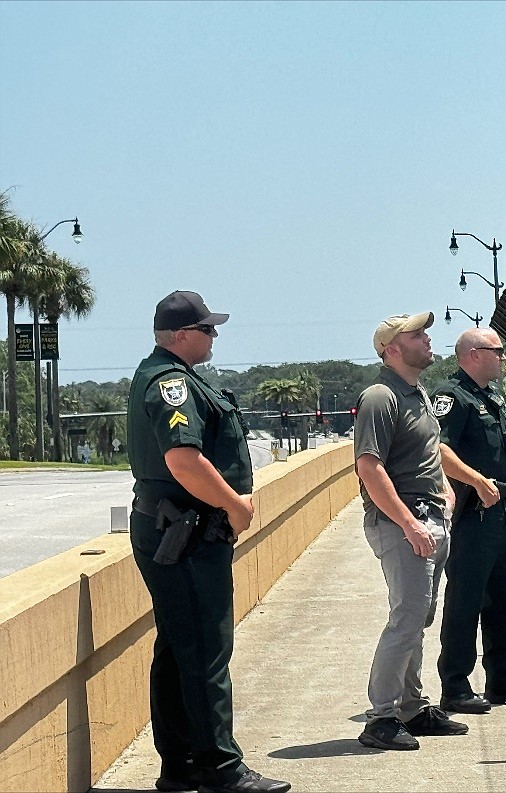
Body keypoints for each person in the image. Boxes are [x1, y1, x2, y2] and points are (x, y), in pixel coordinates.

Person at [126, 290, 290, 793]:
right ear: (180, 335)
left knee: (180, 648)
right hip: (187, 531)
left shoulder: (170, 376)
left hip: (180, 528)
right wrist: (234, 506)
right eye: (206, 329)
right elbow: (184, 460)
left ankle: (181, 764)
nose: (214, 335)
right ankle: (220, 767)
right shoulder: (171, 383)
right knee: (205, 649)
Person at [354, 311, 466, 752]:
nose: (427, 339)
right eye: (418, 335)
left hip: (429, 516)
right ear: (392, 348)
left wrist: (446, 492)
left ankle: (412, 707)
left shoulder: (414, 392)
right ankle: (380, 717)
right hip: (405, 524)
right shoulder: (381, 396)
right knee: (406, 619)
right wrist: (408, 522)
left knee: (419, 618)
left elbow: (427, 452)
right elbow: (369, 466)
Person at [431, 327, 506, 714]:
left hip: (499, 512)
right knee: (466, 599)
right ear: (474, 353)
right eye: (498, 351)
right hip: (471, 514)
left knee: (503, 597)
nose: (503, 358)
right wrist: (478, 481)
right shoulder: (452, 397)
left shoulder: (493, 396)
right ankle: (455, 685)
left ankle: (501, 677)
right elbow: (439, 449)